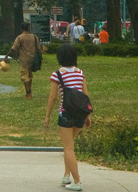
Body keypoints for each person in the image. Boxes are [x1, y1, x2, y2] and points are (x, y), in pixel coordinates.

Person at [44, 43, 91, 191]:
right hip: (80, 114)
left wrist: (47, 116)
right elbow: (85, 94)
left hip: (66, 114)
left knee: (68, 148)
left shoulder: (57, 74)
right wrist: (87, 115)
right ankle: (66, 175)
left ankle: (77, 181)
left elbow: (52, 97)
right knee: (69, 146)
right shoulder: (80, 72)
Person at [5, 22, 42, 99]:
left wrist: (6, 56)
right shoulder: (34, 37)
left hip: (24, 60)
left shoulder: (20, 37)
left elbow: (14, 48)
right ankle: (29, 92)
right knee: (29, 76)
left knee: (24, 77)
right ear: (29, 28)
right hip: (33, 59)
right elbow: (39, 49)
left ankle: (28, 93)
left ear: (21, 28)